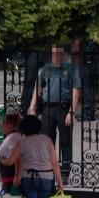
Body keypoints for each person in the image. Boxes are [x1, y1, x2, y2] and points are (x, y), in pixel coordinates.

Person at [3, 115, 64, 198]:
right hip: (47, 177)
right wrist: (60, 182)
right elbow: (54, 163)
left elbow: (11, 161)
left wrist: (2, 159)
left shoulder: (22, 142)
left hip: (29, 178)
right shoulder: (47, 140)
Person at [29, 44, 81, 181]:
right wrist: (32, 107)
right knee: (47, 141)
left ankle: (64, 172)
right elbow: (38, 88)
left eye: (58, 53)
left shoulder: (70, 69)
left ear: (63, 54)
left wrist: (71, 111)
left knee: (65, 141)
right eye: (53, 53)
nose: (56, 56)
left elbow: (76, 91)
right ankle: (47, 170)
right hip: (47, 108)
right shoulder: (46, 68)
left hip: (63, 108)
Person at [0, 112, 22, 193]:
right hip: (7, 174)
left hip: (10, 174)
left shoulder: (13, 138)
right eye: (3, 123)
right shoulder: (10, 137)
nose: (3, 125)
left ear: (13, 125)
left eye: (6, 123)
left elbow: (18, 157)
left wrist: (16, 176)